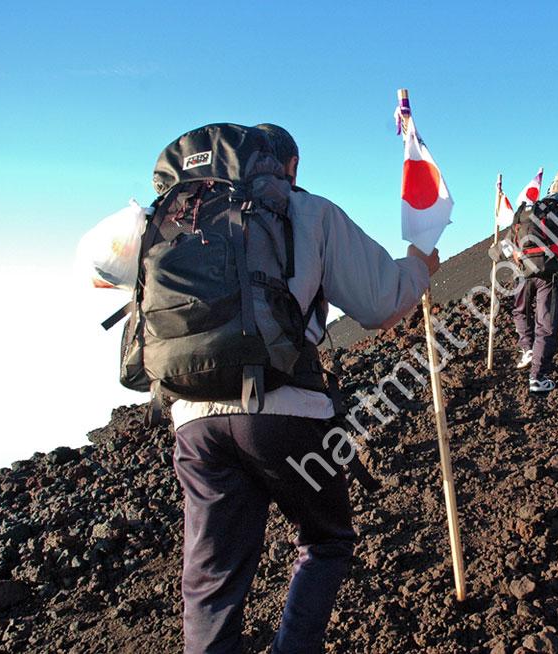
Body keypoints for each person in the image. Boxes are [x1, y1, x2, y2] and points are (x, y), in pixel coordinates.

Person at [171, 123, 439, 653]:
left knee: (210, 583)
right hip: (285, 408)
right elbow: (382, 305)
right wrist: (418, 266)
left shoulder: (180, 210)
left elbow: (97, 268)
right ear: (287, 166)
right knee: (325, 539)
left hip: (192, 418)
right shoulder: (307, 210)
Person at [490, 195, 558, 393]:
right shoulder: (557, 216)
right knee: (546, 325)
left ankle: (528, 349)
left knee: (520, 311)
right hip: (550, 276)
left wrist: (494, 252)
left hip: (524, 274)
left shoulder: (519, 220)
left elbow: (501, 250)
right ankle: (538, 377)